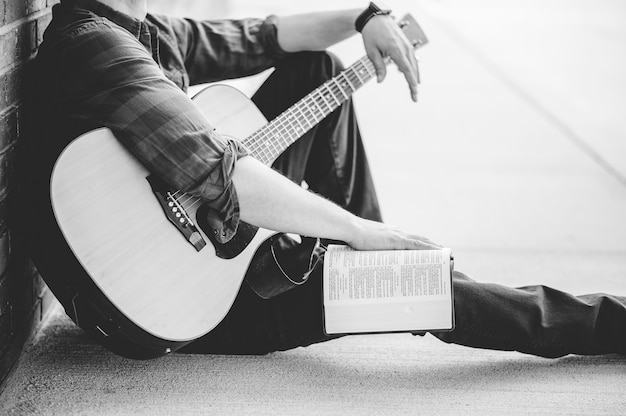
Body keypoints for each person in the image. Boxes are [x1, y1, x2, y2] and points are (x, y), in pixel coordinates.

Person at [20, 0, 626, 359]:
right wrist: (361, 232)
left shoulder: (141, 31)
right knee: (410, 280)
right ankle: (609, 322)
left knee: (314, 70)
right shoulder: (95, 47)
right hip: (173, 303)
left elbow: (262, 37)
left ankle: (357, 254)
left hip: (188, 249)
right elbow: (217, 173)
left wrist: (367, 16)